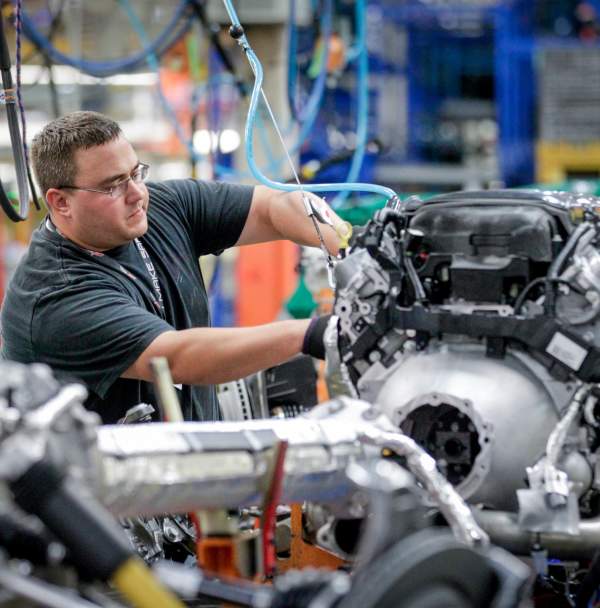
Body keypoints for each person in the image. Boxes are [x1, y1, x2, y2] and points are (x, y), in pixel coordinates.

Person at [1, 111, 343, 424]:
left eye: (136, 173)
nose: (136, 194)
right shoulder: (54, 295)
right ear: (61, 202)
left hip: (182, 467)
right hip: (102, 486)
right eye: (113, 185)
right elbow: (175, 359)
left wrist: (345, 246)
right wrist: (310, 334)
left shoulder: (162, 207)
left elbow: (272, 206)